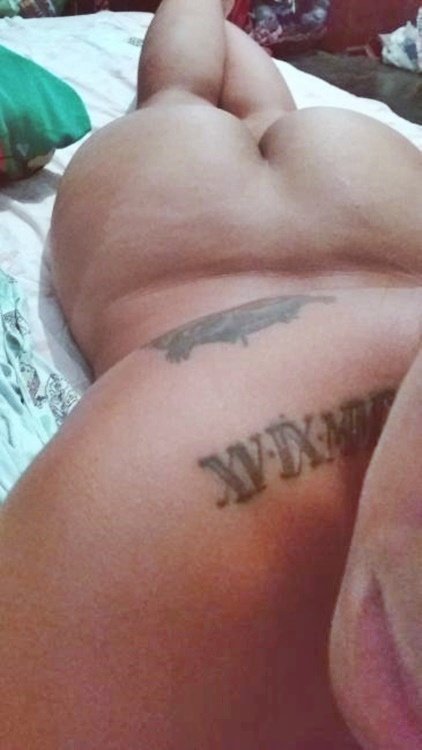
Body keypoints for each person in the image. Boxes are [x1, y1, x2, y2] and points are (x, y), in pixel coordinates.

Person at [0, 1, 421, 747]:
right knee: (212, 104)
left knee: (200, 101)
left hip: (332, 209)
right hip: (239, 238)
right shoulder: (135, 551)